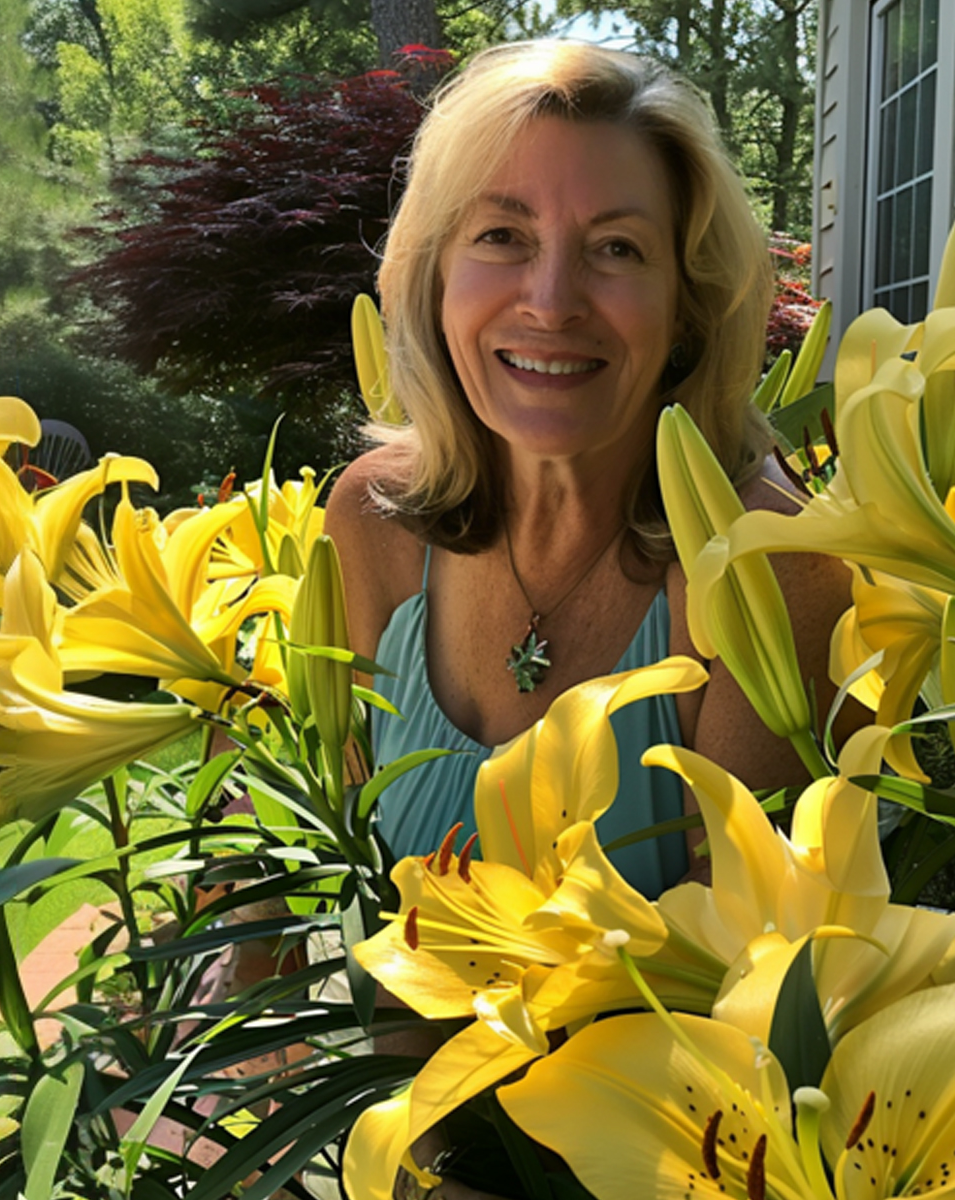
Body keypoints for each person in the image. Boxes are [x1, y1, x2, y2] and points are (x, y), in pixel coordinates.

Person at [320, 40, 853, 1200]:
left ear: (689, 307)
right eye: (501, 236)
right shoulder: (375, 519)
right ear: (434, 278)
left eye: (616, 249)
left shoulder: (763, 567)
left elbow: (761, 996)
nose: (551, 300)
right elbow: (395, 924)